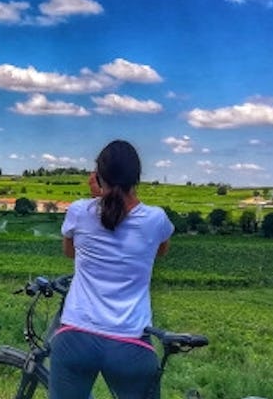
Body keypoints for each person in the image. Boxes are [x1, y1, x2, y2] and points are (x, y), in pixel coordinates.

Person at [50, 140, 174, 399]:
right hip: (129, 342)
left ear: (97, 176)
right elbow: (160, 252)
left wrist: (99, 198)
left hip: (76, 336)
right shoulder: (155, 219)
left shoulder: (79, 212)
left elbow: (70, 252)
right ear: (137, 178)